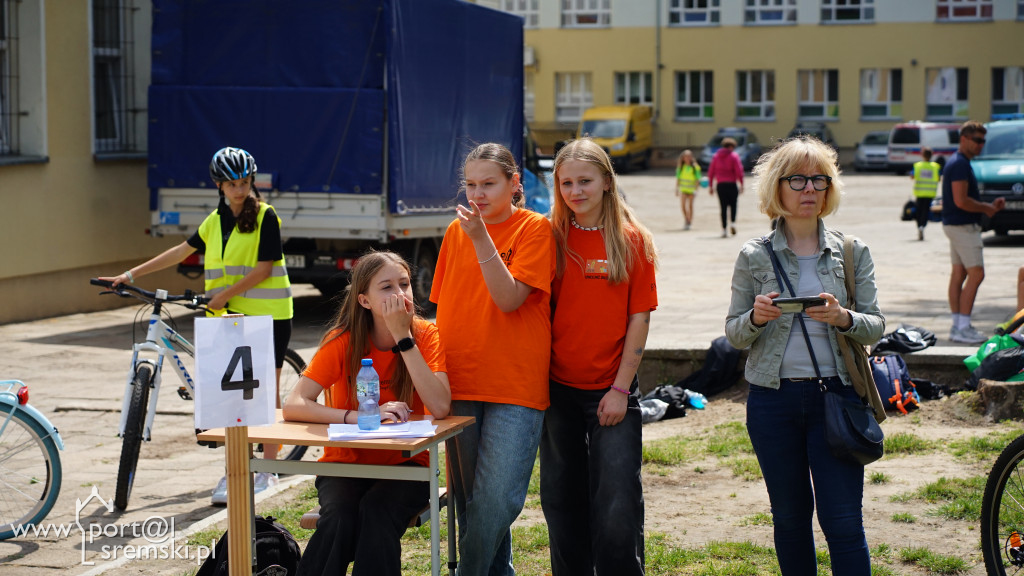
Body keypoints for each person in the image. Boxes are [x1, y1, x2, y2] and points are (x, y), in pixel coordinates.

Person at [725, 136, 885, 576]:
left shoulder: (852, 251)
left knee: (843, 523)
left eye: (819, 179)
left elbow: (876, 324)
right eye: (797, 179)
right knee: (791, 521)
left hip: (836, 397)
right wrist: (756, 319)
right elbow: (734, 334)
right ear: (776, 188)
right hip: (772, 402)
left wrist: (843, 317)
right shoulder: (753, 255)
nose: (809, 189)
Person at [99, 146, 293, 504]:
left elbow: (264, 269)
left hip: (267, 316)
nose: (239, 188)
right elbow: (180, 251)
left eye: (245, 182)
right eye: (231, 183)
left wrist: (223, 295)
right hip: (227, 319)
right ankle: (236, 469)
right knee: (229, 400)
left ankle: (267, 470)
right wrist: (129, 274)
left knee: (264, 396)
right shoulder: (214, 221)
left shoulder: (266, 216)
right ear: (218, 184)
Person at [282, 251, 450, 576]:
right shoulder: (343, 340)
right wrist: (355, 418)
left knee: (377, 510)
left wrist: (403, 337)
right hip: (346, 464)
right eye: (386, 287)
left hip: (407, 466)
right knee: (341, 515)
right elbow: (295, 404)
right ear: (364, 300)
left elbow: (441, 406)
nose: (399, 295)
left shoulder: (426, 336)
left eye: (404, 284)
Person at [429, 142, 555, 576]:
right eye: (470, 185)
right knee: (469, 502)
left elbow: (507, 299)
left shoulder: (535, 229)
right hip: (460, 381)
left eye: (489, 184)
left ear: (514, 183)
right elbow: (443, 308)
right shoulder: (453, 232)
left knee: (497, 498)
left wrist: (482, 238)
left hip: (516, 385)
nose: (477, 195)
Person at [542, 138, 658, 575]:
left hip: (613, 390)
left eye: (585, 180)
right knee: (559, 496)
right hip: (557, 391)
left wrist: (621, 390)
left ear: (607, 182)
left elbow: (640, 320)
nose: (575, 191)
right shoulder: (550, 238)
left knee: (615, 501)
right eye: (566, 182)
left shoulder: (633, 241)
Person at [942, 120, 1005, 344]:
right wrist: (987, 207)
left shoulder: (959, 162)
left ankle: (958, 326)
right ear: (964, 139)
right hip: (963, 226)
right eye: (977, 140)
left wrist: (986, 205)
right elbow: (961, 201)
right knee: (977, 274)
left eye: (983, 141)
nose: (980, 145)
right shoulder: (959, 164)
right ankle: (962, 326)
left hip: (955, 225)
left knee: (959, 274)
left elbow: (964, 199)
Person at [707, 137, 745, 238]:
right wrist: (741, 184)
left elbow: (711, 172)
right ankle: (732, 222)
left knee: (723, 207)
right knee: (733, 205)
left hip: (721, 185)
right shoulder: (734, 156)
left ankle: (724, 229)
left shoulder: (716, 157)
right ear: (731, 146)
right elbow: (739, 171)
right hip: (732, 184)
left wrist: (711, 186)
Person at [911, 147, 941, 241]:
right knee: (926, 211)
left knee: (918, 211)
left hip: (920, 193)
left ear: (922, 155)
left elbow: (912, 176)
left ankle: (919, 226)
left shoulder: (918, 165)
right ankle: (923, 226)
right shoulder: (935, 166)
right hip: (930, 193)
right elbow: (939, 178)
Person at [676, 149, 701, 230]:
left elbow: (697, 179)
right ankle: (686, 219)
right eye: (686, 156)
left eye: (689, 156)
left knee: (690, 206)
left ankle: (689, 221)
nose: (688, 158)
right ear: (683, 158)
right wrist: (676, 189)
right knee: (683, 206)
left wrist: (696, 190)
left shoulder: (695, 167)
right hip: (683, 189)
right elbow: (678, 179)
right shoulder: (681, 167)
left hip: (691, 190)